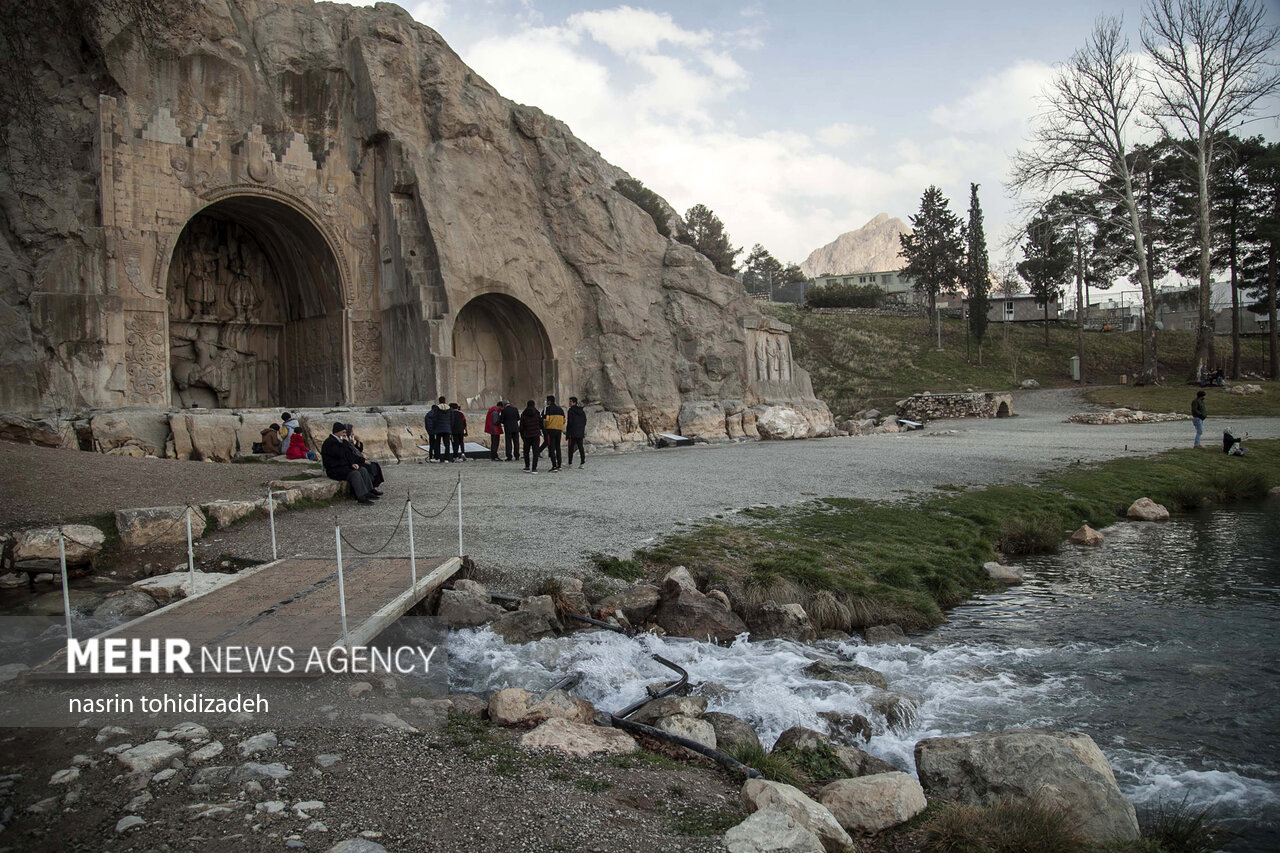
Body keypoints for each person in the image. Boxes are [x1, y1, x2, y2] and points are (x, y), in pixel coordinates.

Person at [321, 422, 380, 504]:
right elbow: (339, 454)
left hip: (343, 467)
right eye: (343, 432)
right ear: (336, 432)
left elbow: (348, 455)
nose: (345, 434)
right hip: (334, 469)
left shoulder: (340, 441)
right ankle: (360, 496)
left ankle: (368, 491)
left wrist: (352, 464)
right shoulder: (330, 442)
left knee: (362, 470)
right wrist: (345, 443)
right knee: (355, 474)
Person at [345, 423, 384, 489]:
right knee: (370, 467)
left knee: (375, 465)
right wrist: (363, 461)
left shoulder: (350, 442)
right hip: (354, 462)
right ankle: (371, 486)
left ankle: (372, 486)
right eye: (351, 431)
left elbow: (358, 450)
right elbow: (352, 455)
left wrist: (358, 441)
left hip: (358, 460)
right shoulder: (346, 443)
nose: (353, 433)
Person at [541, 395, 565, 472]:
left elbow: (546, 420)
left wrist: (545, 423)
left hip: (551, 429)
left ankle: (554, 465)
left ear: (549, 401)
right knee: (558, 447)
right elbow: (564, 420)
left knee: (551, 447)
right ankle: (559, 465)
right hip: (559, 429)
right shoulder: (560, 409)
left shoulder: (548, 409)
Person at [519, 400, 543, 473]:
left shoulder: (524, 414)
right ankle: (534, 468)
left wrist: (522, 435)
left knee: (526, 451)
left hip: (527, 435)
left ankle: (527, 466)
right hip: (535, 434)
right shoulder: (537, 413)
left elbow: (521, 426)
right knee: (535, 452)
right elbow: (541, 424)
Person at [566, 396, 587, 468]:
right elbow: (584, 421)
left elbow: (570, 422)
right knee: (581, 447)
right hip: (580, 432)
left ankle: (570, 463)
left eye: (570, 401)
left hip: (572, 432)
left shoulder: (570, 411)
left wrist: (568, 432)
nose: (569, 403)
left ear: (574, 402)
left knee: (571, 447)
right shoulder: (582, 411)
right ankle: (582, 462)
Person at [431, 397, 452, 462]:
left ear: (439, 401)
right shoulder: (449, 408)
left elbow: (434, 418)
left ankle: (437, 458)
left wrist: (434, 427)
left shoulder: (437, 408)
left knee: (437, 444)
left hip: (438, 429)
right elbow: (452, 419)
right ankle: (447, 458)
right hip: (447, 429)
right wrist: (450, 427)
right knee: (447, 444)